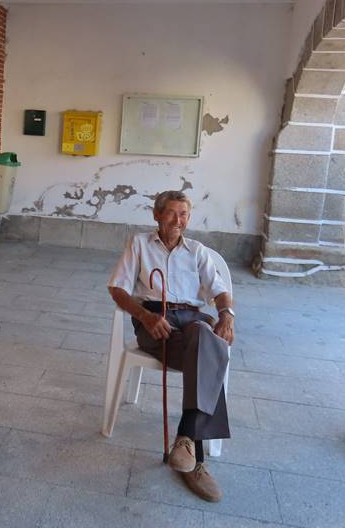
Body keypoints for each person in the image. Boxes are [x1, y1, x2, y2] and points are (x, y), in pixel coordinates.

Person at [107, 190, 235, 502]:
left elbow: (219, 290)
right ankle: (196, 461)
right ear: (157, 215)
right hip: (155, 320)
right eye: (171, 213)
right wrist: (144, 316)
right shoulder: (138, 244)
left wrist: (226, 314)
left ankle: (185, 440)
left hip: (191, 319)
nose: (178, 221)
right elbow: (118, 289)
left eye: (184, 215)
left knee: (208, 338)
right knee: (210, 354)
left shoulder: (197, 251)